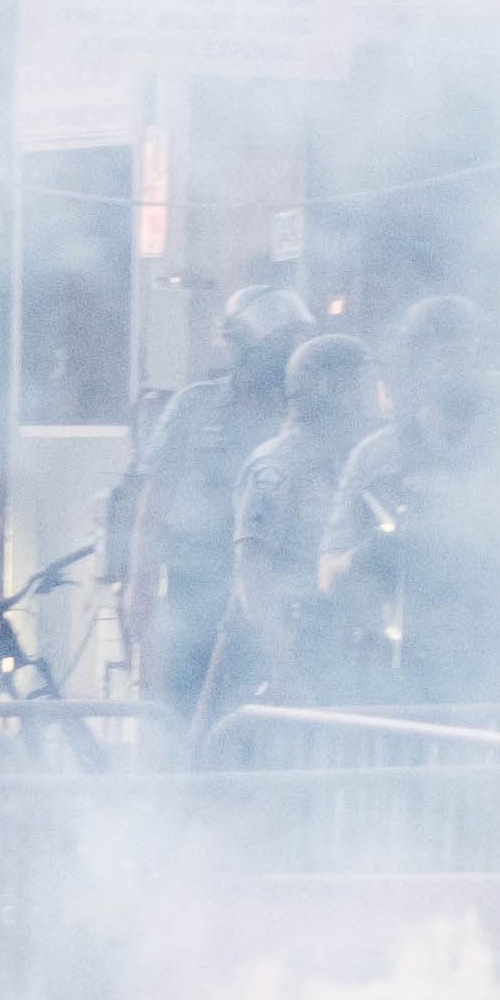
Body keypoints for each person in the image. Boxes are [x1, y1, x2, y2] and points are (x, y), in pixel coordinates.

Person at [320, 292, 500, 708]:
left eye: (464, 352)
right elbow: (328, 573)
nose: (452, 367)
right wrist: (370, 557)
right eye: (437, 354)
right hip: (404, 682)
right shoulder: (377, 458)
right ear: (415, 364)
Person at [125, 284, 316, 718]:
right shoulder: (194, 406)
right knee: (186, 715)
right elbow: (154, 501)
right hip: (195, 592)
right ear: (250, 345)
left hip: (272, 592)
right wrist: (141, 591)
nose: (293, 354)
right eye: (285, 342)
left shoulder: (297, 418)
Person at [199, 330, 381, 721]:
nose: (366, 402)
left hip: (336, 644)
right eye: (355, 389)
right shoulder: (277, 465)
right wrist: (281, 668)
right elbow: (254, 568)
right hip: (283, 645)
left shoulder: (355, 461)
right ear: (324, 390)